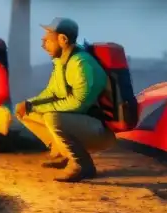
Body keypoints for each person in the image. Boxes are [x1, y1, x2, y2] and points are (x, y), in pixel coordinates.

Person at [15, 17, 113, 182]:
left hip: (99, 129)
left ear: (63, 39)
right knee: (24, 111)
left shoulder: (81, 63)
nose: (43, 45)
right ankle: (63, 153)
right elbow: (51, 92)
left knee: (52, 117)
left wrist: (37, 107)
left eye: (47, 40)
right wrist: (29, 104)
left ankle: (81, 164)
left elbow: (78, 104)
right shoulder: (61, 62)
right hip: (80, 122)